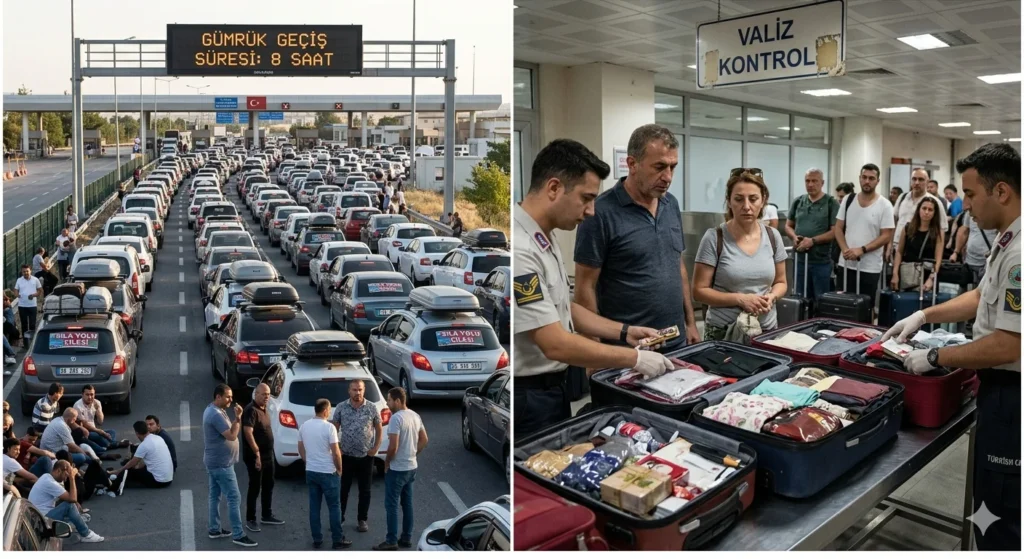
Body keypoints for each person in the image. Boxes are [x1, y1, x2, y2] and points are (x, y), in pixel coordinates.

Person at [881, 142, 1019, 551]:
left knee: (1002, 515)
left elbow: (1008, 345)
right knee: (990, 499)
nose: (966, 205)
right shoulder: (1007, 239)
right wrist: (924, 316)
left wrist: (936, 355)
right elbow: (980, 296)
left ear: (1001, 192)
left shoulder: (1020, 255)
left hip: (1013, 399)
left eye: (971, 194)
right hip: (999, 394)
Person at [513, 139, 670, 438]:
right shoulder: (522, 251)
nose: (591, 211)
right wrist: (634, 358)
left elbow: (562, 307)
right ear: (554, 188)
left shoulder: (543, 235)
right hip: (530, 397)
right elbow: (555, 343)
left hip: (552, 389)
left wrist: (625, 332)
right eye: (586, 198)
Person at [574, 124, 700, 351]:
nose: (668, 177)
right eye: (659, 167)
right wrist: (594, 348)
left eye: (672, 167)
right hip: (626, 348)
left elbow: (678, 265)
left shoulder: (671, 204)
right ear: (632, 164)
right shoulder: (599, 212)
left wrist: (690, 323)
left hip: (676, 341)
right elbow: (585, 287)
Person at [693, 171, 788, 340]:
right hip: (724, 333)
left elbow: (781, 282)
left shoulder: (773, 236)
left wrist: (772, 296)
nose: (746, 206)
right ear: (729, 201)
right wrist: (740, 299)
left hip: (766, 331)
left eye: (753, 199)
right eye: (738, 199)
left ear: (763, 200)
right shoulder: (715, 238)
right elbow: (699, 291)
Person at [833, 163, 895, 309]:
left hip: (869, 267)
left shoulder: (885, 205)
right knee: (842, 306)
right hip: (845, 264)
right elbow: (838, 228)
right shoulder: (848, 199)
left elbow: (886, 235)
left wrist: (862, 249)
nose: (867, 181)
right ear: (860, 178)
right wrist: (845, 249)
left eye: (871, 178)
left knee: (865, 308)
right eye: (864, 177)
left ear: (877, 181)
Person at [373, 387, 427, 551]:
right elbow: (424, 439)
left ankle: (391, 540)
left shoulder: (396, 419)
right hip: (411, 467)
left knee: (392, 506)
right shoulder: (415, 415)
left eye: (389, 400)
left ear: (397, 401)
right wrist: (413, 453)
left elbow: (393, 446)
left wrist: (387, 462)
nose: (387, 404)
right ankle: (406, 537)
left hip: (397, 469)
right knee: (407, 504)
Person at [203, 384, 257, 547]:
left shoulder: (215, 410)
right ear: (218, 397)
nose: (231, 400)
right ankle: (238, 534)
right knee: (234, 497)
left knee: (215, 496)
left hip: (215, 462)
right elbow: (232, 436)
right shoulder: (215, 414)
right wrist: (238, 418)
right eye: (228, 397)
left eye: (231, 396)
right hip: (221, 464)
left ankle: (214, 529)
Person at [331, 379, 382, 534]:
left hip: (365, 456)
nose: (357, 392)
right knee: (343, 489)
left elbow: (379, 428)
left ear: (364, 390)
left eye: (360, 389)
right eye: (354, 389)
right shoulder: (341, 407)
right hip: (346, 456)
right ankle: (340, 518)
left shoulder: (371, 407)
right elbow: (334, 429)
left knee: (365, 490)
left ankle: (362, 519)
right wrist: (338, 449)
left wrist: (375, 448)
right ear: (349, 391)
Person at [298, 398, 349, 549]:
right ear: (326, 410)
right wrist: (339, 469)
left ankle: (317, 539)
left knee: (314, 507)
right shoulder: (329, 428)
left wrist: (307, 461)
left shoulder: (304, 426)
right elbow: (336, 452)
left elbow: (300, 447)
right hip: (328, 472)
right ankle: (337, 539)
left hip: (311, 471)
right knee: (334, 506)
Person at [785, 168, 839, 302]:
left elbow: (835, 232)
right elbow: (788, 226)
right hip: (800, 260)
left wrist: (813, 241)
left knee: (821, 299)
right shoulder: (798, 202)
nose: (810, 184)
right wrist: (794, 237)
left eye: (814, 181)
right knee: (800, 298)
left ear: (822, 183)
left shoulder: (831, 203)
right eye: (807, 181)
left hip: (821, 261)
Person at [241, 383, 284, 532]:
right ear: (256, 394)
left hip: (267, 455)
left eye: (268, 394)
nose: (266, 397)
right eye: (264, 394)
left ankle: (266, 514)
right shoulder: (251, 410)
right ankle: (250, 519)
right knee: (255, 487)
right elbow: (248, 432)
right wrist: (257, 453)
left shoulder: (264, 409)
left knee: (268, 484)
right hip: (255, 456)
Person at [27, 459, 104, 543]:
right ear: (59, 471)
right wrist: (72, 477)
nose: (66, 478)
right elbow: (72, 499)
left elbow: (66, 497)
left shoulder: (47, 477)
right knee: (69, 505)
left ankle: (74, 524)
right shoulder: (50, 482)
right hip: (42, 522)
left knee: (77, 511)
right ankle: (86, 534)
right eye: (66, 474)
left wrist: (75, 503)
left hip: (40, 517)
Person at [890, 197, 944, 292]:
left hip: (927, 274)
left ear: (934, 213)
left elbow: (938, 259)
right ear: (919, 209)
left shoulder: (938, 232)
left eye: (930, 210)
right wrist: (895, 274)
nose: (926, 212)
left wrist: (932, 278)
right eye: (924, 208)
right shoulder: (907, 228)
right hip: (907, 274)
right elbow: (899, 252)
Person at [892, 168, 948, 258]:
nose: (917, 182)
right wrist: (889, 246)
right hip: (897, 248)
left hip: (919, 252)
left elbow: (942, 230)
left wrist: (937, 260)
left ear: (927, 182)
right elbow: (894, 222)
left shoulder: (934, 202)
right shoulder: (902, 198)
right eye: (914, 179)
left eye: (921, 179)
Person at [107, 421, 173, 490]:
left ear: (137, 433)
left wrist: (118, 471)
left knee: (128, 471)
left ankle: (113, 480)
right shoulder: (158, 438)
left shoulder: (144, 445)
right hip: (168, 479)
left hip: (159, 481)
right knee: (137, 468)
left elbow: (132, 463)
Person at [74, 385, 128, 455]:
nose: (90, 397)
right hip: (86, 431)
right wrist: (100, 432)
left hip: (95, 430)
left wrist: (98, 410)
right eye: (87, 395)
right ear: (82, 395)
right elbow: (84, 424)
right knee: (96, 435)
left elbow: (100, 421)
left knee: (112, 432)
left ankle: (108, 444)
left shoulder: (97, 402)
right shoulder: (78, 406)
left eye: (92, 394)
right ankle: (113, 444)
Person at [15, 264, 43, 337]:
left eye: (27, 271)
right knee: (24, 324)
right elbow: (16, 290)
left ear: (30, 271)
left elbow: (40, 290)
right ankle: (25, 340)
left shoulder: (35, 280)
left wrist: (34, 295)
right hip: (22, 305)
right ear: (22, 272)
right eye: (24, 271)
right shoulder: (19, 280)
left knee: (32, 324)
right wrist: (17, 294)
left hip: (32, 305)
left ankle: (32, 339)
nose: (25, 273)